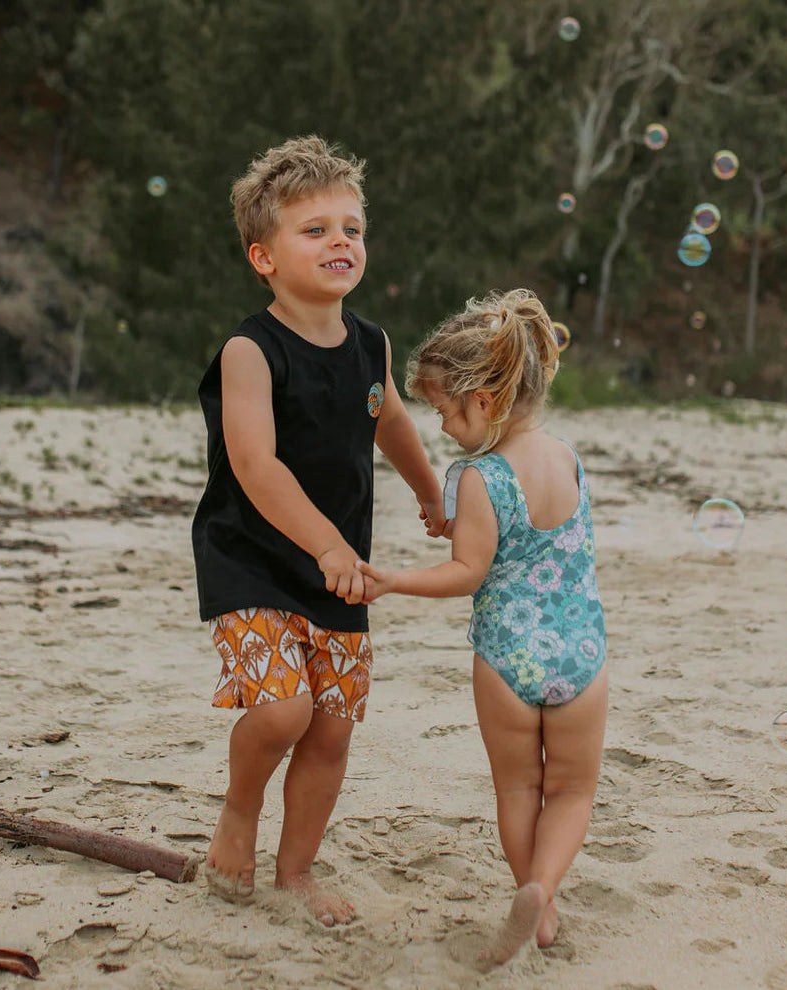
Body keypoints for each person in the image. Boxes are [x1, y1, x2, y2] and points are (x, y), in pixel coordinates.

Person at [191, 135, 446, 927]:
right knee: (280, 712)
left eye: (352, 228)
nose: (341, 241)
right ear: (263, 256)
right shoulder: (250, 350)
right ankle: (239, 811)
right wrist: (328, 544)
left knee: (331, 729)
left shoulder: (371, 344)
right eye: (316, 229)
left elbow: (391, 422)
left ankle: (295, 870)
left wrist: (433, 493)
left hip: (339, 574)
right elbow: (256, 464)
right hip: (255, 560)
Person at [357, 288, 607, 964]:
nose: (441, 427)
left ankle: (537, 906)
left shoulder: (478, 475)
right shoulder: (566, 459)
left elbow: (468, 569)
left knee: (521, 787)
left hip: (507, 657)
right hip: (583, 651)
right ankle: (545, 888)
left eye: (443, 410)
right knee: (575, 789)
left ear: (484, 400)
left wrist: (395, 578)